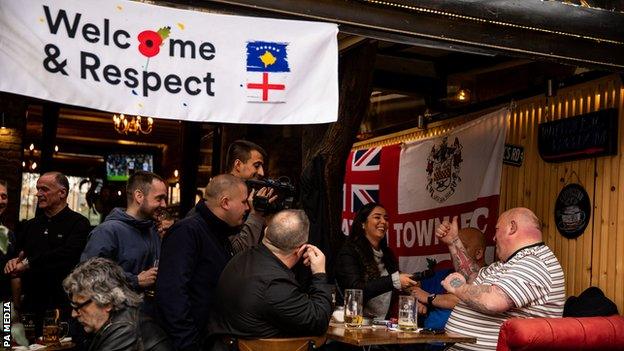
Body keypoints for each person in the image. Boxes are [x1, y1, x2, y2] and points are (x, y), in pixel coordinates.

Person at [437, 208, 565, 351]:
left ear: (512, 227)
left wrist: (457, 287)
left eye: (497, 229)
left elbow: (492, 301)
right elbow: (472, 278)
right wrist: (454, 242)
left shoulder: (536, 262)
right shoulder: (509, 263)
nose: (494, 237)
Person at [209, 210, 332, 349]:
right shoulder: (274, 284)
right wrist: (319, 273)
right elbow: (319, 321)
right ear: (301, 249)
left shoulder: (241, 258)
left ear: (266, 231)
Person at [156, 174, 249, 351]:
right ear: (225, 202)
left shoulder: (220, 234)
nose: (247, 207)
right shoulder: (187, 231)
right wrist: (189, 343)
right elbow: (172, 293)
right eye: (244, 202)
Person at [4, 172, 90, 328]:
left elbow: (67, 254)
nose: (38, 194)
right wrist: (13, 261)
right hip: (29, 307)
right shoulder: (30, 226)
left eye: (44, 189)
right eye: (37, 189)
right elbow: (19, 255)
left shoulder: (79, 223)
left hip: (62, 308)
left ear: (62, 193)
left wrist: (29, 262)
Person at [81, 171, 167, 293]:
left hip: (149, 310)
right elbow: (89, 276)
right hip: (118, 311)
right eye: (159, 198)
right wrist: (135, 280)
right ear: (139, 196)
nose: (164, 205)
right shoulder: (106, 232)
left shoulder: (153, 230)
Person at [63, 257, 172, 351]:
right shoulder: (115, 322)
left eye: (80, 306)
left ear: (107, 302)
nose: (74, 314)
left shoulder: (124, 329)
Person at [335, 202, 417, 319]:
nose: (383, 222)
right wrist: (394, 280)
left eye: (386, 218)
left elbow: (393, 288)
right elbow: (355, 291)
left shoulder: (388, 254)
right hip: (353, 322)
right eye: (377, 217)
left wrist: (411, 291)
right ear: (363, 223)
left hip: (382, 324)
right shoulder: (349, 252)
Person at [410, 227, 486, 330]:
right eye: (452, 247)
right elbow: (411, 285)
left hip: (461, 342)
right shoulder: (446, 274)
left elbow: (467, 299)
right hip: (428, 340)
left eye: (460, 247)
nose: (454, 252)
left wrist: (429, 298)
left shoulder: (488, 275)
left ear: (478, 253)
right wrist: (415, 300)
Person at [224, 140, 275, 254]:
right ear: (238, 165)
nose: (261, 172)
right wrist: (256, 214)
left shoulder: (247, 195)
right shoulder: (225, 200)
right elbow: (237, 252)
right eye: (256, 165)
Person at [0, 179, 18, 304]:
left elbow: (14, 273)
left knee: (7, 324)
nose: (0, 201)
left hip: (4, 304)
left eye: (4, 196)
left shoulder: (7, 234)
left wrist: (16, 307)